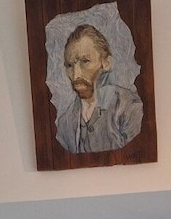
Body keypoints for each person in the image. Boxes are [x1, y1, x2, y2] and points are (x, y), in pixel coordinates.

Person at [56, 24, 143, 153]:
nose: (75, 75)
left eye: (85, 61)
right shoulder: (65, 123)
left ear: (106, 63)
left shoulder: (129, 107)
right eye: (69, 65)